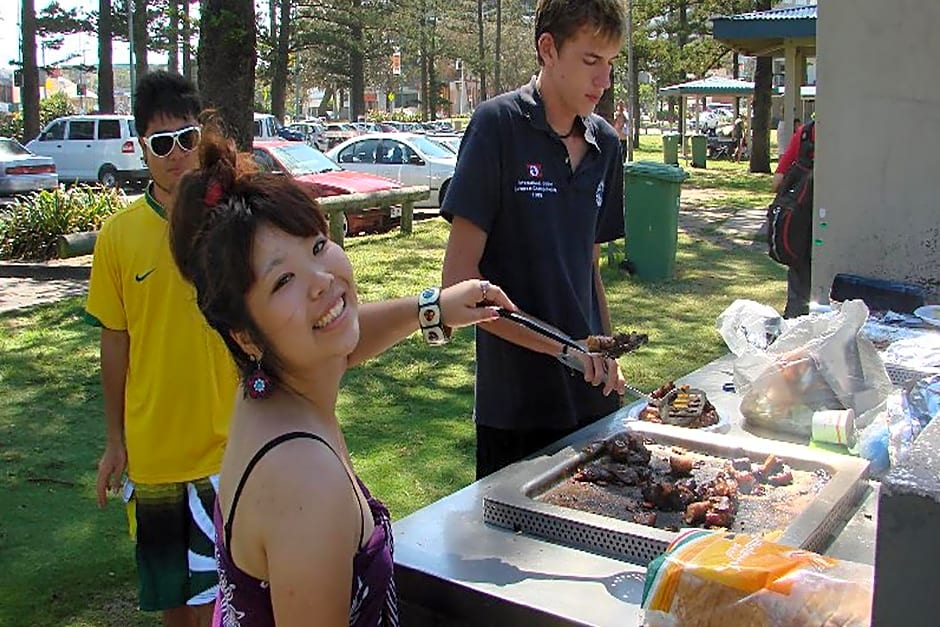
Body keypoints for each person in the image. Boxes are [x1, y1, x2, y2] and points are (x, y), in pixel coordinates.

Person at [167, 127, 516, 625]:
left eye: (316, 246)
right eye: (282, 280)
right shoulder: (304, 481)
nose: (322, 282)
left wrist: (435, 308)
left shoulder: (268, 392)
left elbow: (342, 341)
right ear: (244, 335)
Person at [440, 0, 628, 480]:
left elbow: (588, 267)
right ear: (548, 48)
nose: (603, 81)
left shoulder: (606, 145)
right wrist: (564, 348)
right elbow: (460, 283)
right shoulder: (496, 127)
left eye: (609, 64)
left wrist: (606, 353)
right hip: (516, 408)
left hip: (591, 398)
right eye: (590, 61)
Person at [86, 71, 237, 626]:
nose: (177, 155)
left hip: (233, 448)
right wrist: (114, 442)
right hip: (157, 460)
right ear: (141, 146)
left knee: (239, 602)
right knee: (179, 608)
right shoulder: (117, 237)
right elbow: (115, 340)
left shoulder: (230, 222)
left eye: (187, 138)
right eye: (161, 143)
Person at [772, 119, 816, 318]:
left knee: (799, 269)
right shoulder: (845, 131)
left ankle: (795, 318)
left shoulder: (805, 132)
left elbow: (778, 181)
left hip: (799, 217)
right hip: (831, 216)